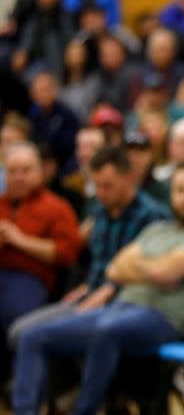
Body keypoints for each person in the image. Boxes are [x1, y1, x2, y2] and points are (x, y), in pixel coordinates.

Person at [12, 163, 184, 415]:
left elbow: (163, 272)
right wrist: (153, 270)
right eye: (180, 190)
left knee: (107, 330)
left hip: (163, 319)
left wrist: (140, 268)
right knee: (32, 337)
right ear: (172, 195)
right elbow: (114, 269)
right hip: (118, 309)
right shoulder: (158, 229)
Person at [7, 145, 170, 347]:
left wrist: (103, 293)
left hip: (127, 304)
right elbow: (97, 262)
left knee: (30, 335)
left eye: (107, 186)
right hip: (90, 294)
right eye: (97, 186)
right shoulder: (99, 210)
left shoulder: (152, 216)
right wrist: (86, 287)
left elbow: (149, 273)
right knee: (20, 331)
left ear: (129, 178)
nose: (100, 193)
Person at [0, 143, 81, 379]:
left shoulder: (57, 208)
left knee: (14, 310)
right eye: (12, 171)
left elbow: (68, 253)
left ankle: (21, 381)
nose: (18, 177)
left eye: (25, 171)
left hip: (31, 279)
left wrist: (19, 240)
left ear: (40, 172)